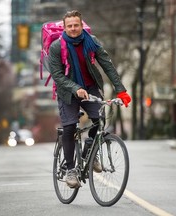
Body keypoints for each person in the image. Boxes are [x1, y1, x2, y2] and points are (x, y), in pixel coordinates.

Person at [48, 10, 131, 188]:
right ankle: (70, 169)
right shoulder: (56, 47)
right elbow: (57, 75)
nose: (73, 29)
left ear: (81, 25)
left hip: (90, 87)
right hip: (67, 91)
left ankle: (89, 154)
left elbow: (107, 65)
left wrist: (121, 90)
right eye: (69, 26)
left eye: (76, 25)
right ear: (64, 27)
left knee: (100, 121)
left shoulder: (91, 42)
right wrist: (75, 88)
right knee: (70, 126)